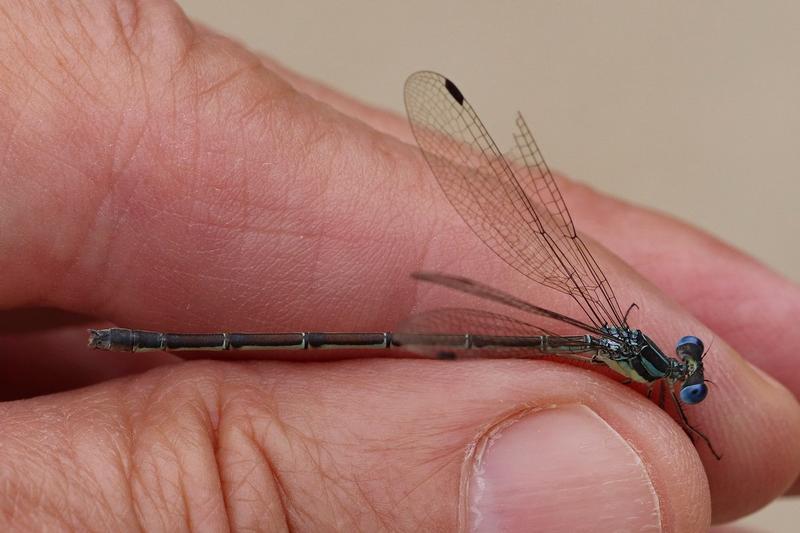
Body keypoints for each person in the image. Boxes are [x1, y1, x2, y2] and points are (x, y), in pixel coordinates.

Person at [1, 1, 798, 530]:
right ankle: (130, 340)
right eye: (688, 373)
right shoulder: (647, 365)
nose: (690, 374)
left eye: (686, 376)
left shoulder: (636, 353)